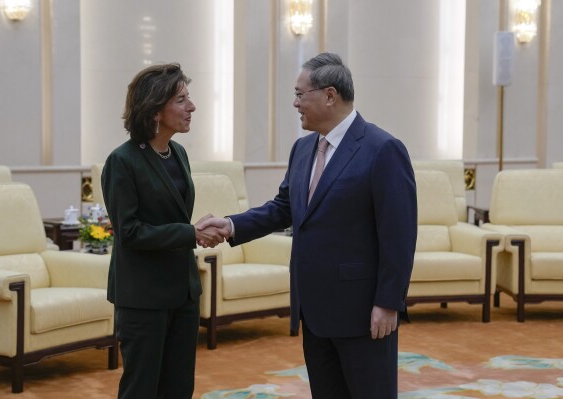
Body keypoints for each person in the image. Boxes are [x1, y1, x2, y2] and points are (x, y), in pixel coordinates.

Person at [198, 53, 417, 398]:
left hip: (363, 312)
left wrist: (389, 303)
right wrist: (230, 225)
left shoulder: (382, 149)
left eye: (301, 94)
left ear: (330, 95)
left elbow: (399, 236)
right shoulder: (302, 149)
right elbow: (283, 207)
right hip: (313, 311)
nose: (295, 103)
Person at [101, 63, 224, 399]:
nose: (192, 107)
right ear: (155, 108)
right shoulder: (122, 162)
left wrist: (193, 231)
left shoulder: (179, 153)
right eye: (182, 99)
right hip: (143, 297)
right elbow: (130, 232)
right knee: (141, 389)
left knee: (179, 386)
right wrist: (190, 233)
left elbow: (169, 214)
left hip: (183, 292)